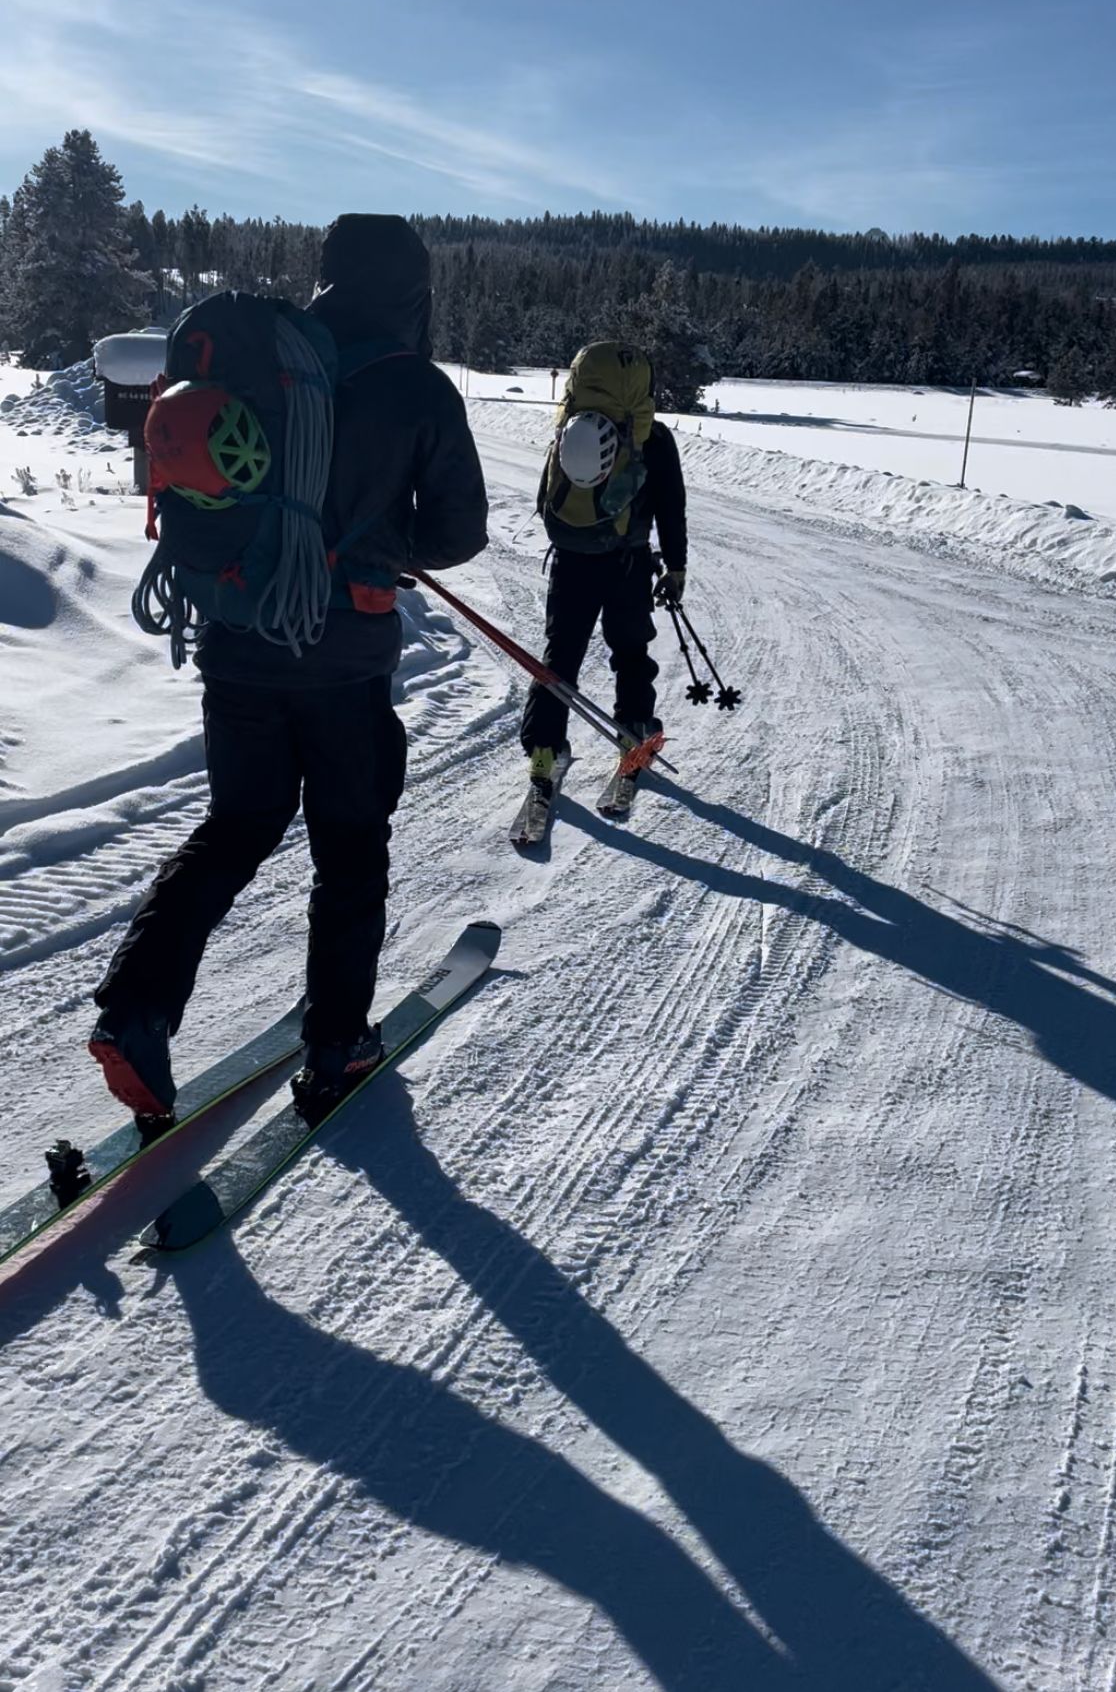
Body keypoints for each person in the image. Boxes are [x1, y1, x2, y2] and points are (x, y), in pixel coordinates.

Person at [90, 214, 488, 1118]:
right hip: (344, 658)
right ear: (410, 291)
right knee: (349, 849)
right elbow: (458, 533)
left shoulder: (249, 364)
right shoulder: (413, 385)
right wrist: (387, 541)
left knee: (237, 823)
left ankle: (135, 1010)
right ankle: (337, 1044)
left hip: (235, 641)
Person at [521, 340, 687, 793]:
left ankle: (543, 750)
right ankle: (634, 735)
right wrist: (676, 568)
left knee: (561, 656)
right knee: (630, 652)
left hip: (572, 561)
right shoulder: (651, 438)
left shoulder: (571, 427)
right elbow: (672, 509)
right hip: (627, 565)